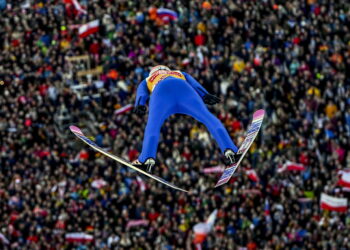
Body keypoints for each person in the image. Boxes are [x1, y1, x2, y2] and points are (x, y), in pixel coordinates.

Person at [132, 65, 239, 172]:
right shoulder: (178, 72)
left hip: (160, 92)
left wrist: (140, 104)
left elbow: (141, 92)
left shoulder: (148, 79)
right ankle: (230, 149)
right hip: (183, 89)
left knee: (152, 126)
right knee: (207, 117)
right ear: (167, 70)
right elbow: (194, 83)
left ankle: (146, 159)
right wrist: (205, 94)